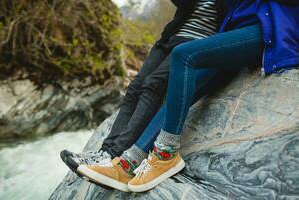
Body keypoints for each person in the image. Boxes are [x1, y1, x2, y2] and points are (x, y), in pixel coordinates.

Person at [74, 0, 299, 193]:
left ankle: (165, 154)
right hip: (231, 34)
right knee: (183, 89)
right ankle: (128, 163)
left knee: (184, 56)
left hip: (267, 29)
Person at [60, 0, 228, 177]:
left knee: (153, 86)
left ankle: (114, 154)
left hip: (194, 44)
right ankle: (105, 151)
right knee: (134, 88)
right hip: (170, 38)